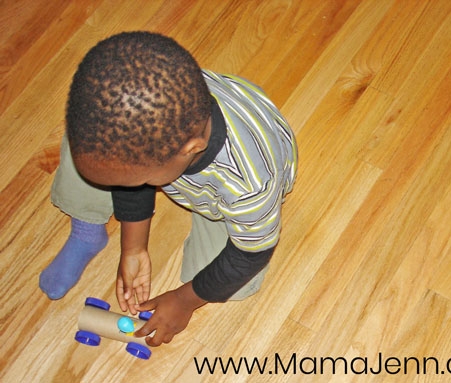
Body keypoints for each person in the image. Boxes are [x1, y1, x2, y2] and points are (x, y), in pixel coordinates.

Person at [41, 31, 297, 345]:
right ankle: (86, 229)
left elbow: (251, 254)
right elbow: (130, 173)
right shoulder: (167, 103)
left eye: (135, 181)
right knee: (94, 140)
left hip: (223, 189)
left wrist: (184, 300)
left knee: (235, 283)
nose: (123, 186)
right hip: (165, 154)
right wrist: (133, 247)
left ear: (190, 149)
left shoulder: (251, 186)